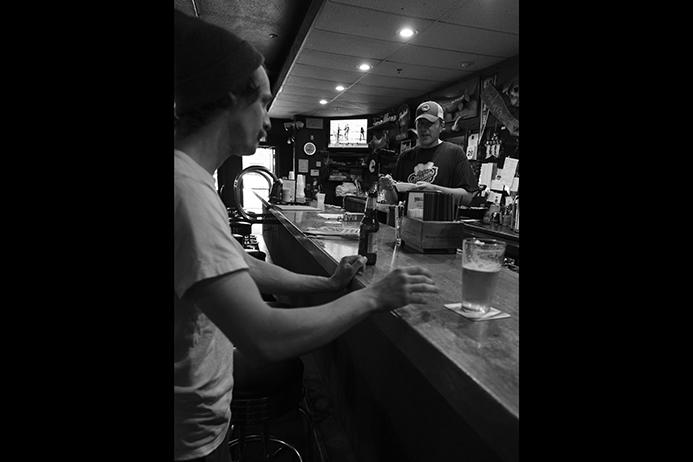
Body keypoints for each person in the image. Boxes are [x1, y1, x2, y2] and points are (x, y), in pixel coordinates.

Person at [174, 11, 437, 462]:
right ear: (231, 98)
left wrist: (328, 284)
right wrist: (372, 298)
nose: (269, 121)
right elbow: (264, 337)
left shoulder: (190, 181)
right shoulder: (187, 192)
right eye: (263, 103)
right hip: (190, 441)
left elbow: (243, 264)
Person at [380, 101, 479, 206]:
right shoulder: (405, 157)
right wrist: (389, 188)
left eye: (430, 124)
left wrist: (434, 190)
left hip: (441, 221)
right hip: (409, 221)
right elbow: (393, 200)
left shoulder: (454, 153)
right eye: (421, 124)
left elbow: (468, 197)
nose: (424, 129)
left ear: (442, 125)